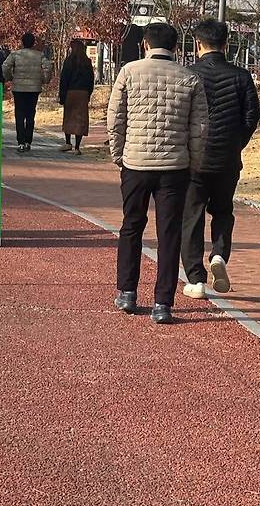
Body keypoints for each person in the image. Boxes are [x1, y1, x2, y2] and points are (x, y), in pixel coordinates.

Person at [107, 22, 208, 324]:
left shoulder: (128, 72)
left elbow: (115, 119)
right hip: (175, 166)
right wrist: (194, 162)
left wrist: (118, 155)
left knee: (131, 226)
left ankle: (127, 292)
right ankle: (162, 303)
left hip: (135, 163)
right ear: (176, 48)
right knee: (169, 233)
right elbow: (200, 129)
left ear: (145, 45)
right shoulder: (190, 78)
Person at [180, 19, 260, 299]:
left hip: (194, 159)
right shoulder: (241, 76)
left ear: (198, 43)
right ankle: (219, 256)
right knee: (223, 211)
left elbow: (181, 116)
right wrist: (236, 142)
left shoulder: (188, 74)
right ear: (226, 43)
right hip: (227, 158)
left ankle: (196, 279)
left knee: (191, 216)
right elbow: (252, 115)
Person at [2, 32, 53, 152]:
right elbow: (48, 67)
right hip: (34, 88)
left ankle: (20, 142)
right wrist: (45, 79)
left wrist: (9, 77)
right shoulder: (39, 55)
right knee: (30, 115)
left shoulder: (15, 54)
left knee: (19, 115)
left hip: (18, 88)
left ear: (22, 42)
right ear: (33, 43)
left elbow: (5, 66)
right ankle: (28, 141)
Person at [59, 39, 95, 155]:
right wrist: (89, 93)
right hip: (83, 93)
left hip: (70, 92)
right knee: (81, 119)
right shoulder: (87, 62)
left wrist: (62, 95)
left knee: (69, 117)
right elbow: (91, 80)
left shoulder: (69, 61)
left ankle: (68, 142)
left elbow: (64, 79)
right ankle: (77, 147)